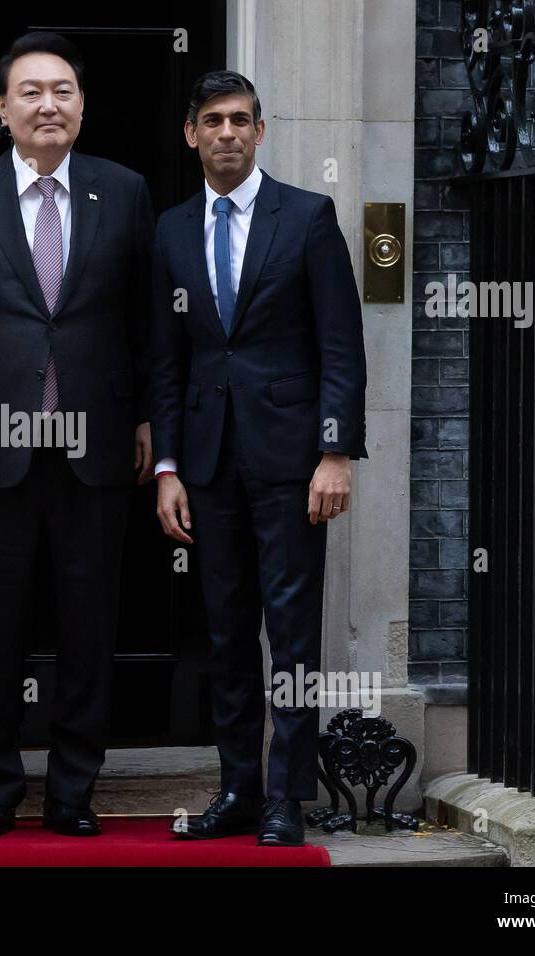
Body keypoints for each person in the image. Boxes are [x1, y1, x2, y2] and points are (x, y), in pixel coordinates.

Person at [0, 32, 155, 837]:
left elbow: (147, 316)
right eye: (31, 91)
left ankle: (72, 793)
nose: (48, 104)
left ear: (82, 106)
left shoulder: (123, 191)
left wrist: (150, 416)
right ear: (2, 109)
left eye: (62, 90)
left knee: (90, 631)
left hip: (96, 443)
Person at [149, 71, 368, 846]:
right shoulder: (173, 230)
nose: (229, 133)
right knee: (226, 636)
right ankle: (239, 788)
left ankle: (288, 797)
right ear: (192, 134)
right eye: (213, 121)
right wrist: (168, 465)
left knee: (293, 635)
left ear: (261, 131)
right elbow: (167, 362)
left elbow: (341, 344)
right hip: (206, 466)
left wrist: (335, 451)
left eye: (242, 120)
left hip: (291, 465)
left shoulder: (307, 216)